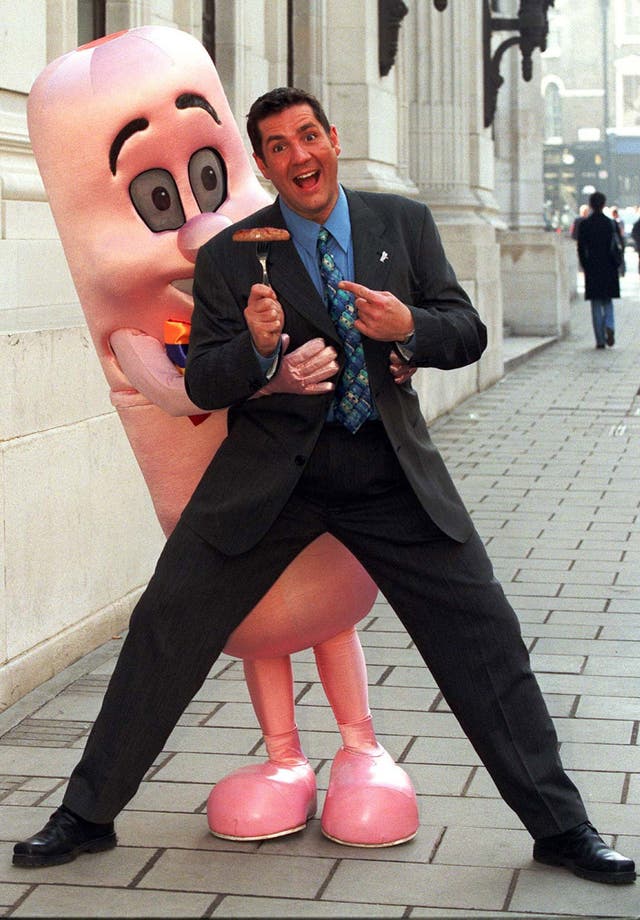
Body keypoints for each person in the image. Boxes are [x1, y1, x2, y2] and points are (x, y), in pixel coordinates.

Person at [14, 87, 635, 886]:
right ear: (264, 163)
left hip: (389, 470)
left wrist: (407, 325)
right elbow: (204, 381)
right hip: (271, 482)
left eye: (309, 136)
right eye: (278, 146)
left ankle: (562, 828)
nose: (299, 156)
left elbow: (466, 329)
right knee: (164, 628)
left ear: (333, 140)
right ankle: (85, 816)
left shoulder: (400, 224)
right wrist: (262, 352)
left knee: (485, 636)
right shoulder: (235, 252)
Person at [577, 191, 620, 349]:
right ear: (603, 204)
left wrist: (584, 265)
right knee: (608, 300)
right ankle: (610, 324)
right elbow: (618, 245)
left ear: (590, 205)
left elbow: (581, 247)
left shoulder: (585, 224)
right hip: (609, 266)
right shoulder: (610, 223)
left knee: (595, 303)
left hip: (593, 267)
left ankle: (600, 340)